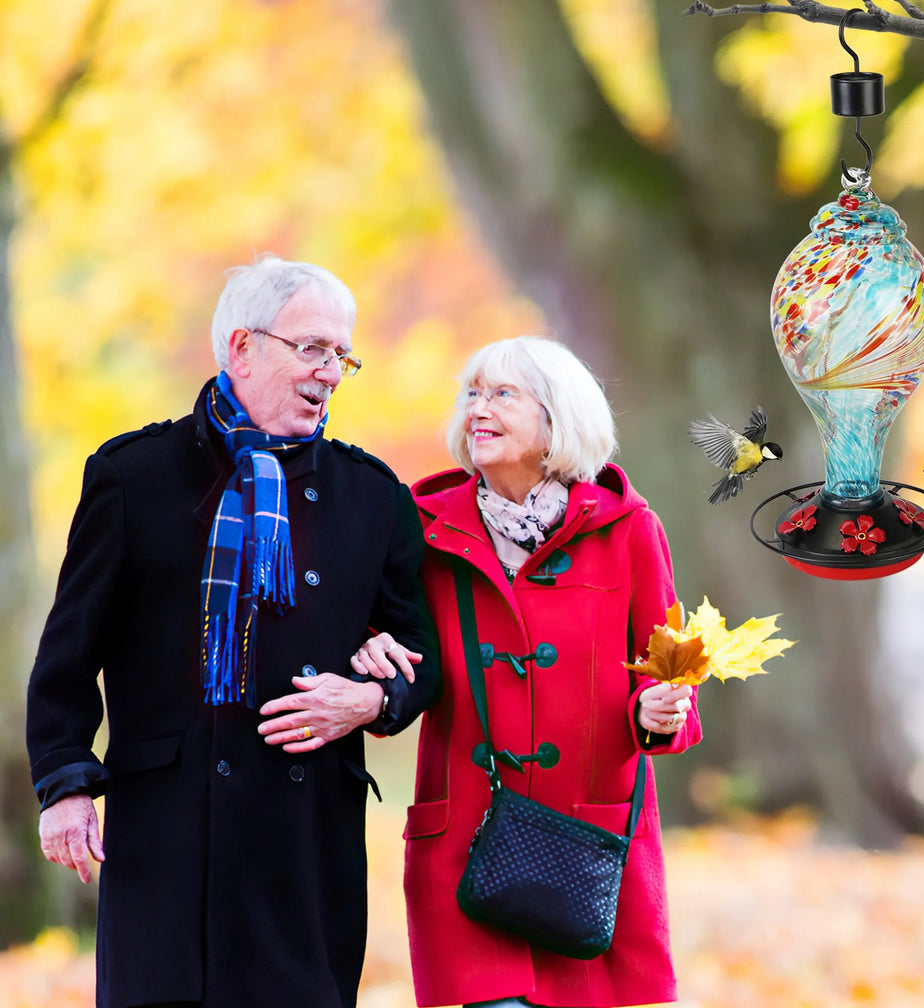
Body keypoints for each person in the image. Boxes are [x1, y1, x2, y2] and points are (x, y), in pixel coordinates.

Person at [25, 254, 440, 1008]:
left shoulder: (373, 497)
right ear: (242, 348)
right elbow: (67, 653)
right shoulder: (133, 476)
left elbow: (420, 657)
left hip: (305, 841)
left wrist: (370, 701)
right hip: (167, 836)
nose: (332, 372)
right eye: (312, 348)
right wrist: (64, 784)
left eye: (342, 355)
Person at [391, 335, 702, 1008]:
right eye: (471, 393)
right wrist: (370, 651)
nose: (478, 408)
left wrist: (655, 708)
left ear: (557, 417)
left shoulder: (628, 529)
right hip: (468, 840)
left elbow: (670, 666)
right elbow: (390, 640)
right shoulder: (423, 529)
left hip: (587, 849)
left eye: (502, 393)